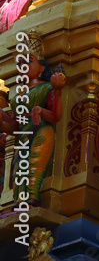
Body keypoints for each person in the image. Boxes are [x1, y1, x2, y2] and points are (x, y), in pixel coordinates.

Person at [0, 32, 66, 205]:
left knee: (33, 165)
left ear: (42, 67)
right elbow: (14, 125)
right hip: (23, 136)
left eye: (28, 61)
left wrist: (44, 106)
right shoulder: (19, 97)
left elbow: (56, 116)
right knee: (18, 170)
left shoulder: (46, 88)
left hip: (41, 133)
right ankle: (20, 200)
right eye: (20, 63)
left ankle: (32, 197)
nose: (23, 65)